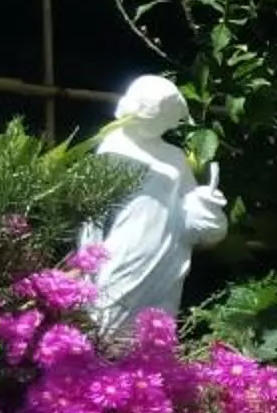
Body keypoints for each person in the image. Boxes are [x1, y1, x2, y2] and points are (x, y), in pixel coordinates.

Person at [82, 76, 227, 334]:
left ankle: (152, 373)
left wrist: (206, 202)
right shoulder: (112, 146)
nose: (168, 124)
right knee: (108, 316)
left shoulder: (174, 156)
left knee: (154, 327)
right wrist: (87, 258)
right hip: (124, 244)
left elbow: (190, 207)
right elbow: (93, 211)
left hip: (167, 250)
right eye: (163, 116)